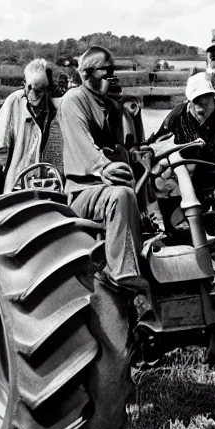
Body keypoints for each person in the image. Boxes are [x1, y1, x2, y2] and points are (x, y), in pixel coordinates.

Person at [58, 45, 148, 293]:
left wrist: (136, 154)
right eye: (105, 71)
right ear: (86, 74)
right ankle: (123, 272)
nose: (111, 77)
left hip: (107, 184)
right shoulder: (73, 100)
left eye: (113, 71)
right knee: (121, 195)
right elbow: (84, 147)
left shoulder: (110, 105)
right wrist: (104, 166)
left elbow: (120, 148)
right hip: (83, 190)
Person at [0, 58, 58, 192]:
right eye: (31, 89)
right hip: (17, 188)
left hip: (46, 187)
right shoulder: (15, 101)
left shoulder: (56, 107)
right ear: (25, 85)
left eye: (40, 91)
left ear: (48, 89)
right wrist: (17, 164)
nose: (34, 95)